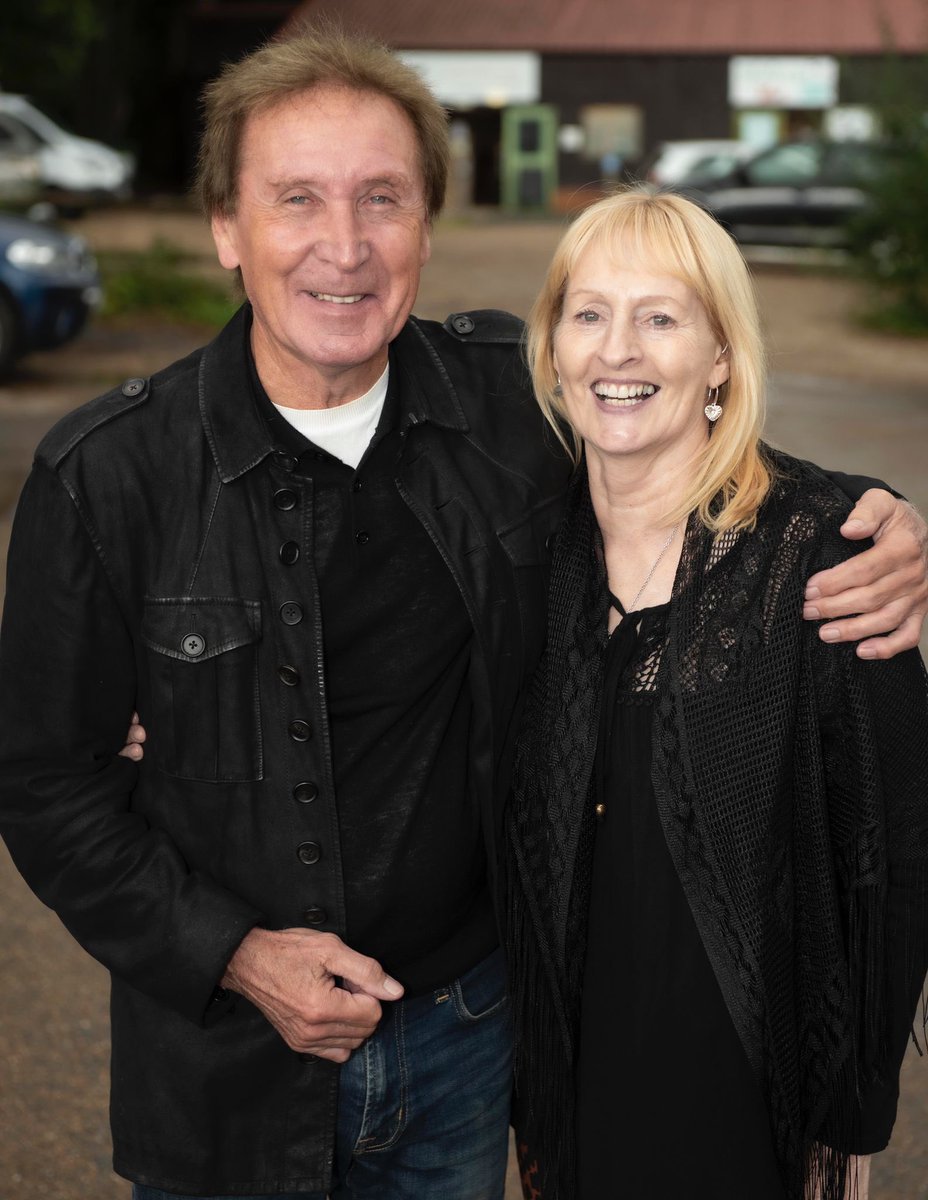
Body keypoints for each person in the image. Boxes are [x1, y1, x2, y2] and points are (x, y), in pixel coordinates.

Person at [0, 28, 924, 1200]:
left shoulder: (505, 406)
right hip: (221, 1072)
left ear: (426, 227)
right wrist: (230, 955)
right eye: (296, 200)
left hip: (468, 1046)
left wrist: (869, 518)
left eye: (381, 199)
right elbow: (40, 783)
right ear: (226, 229)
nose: (344, 246)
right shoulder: (106, 477)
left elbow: (669, 422)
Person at [505, 188, 928, 1200]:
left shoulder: (820, 550)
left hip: (744, 1082)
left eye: (661, 317)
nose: (618, 351)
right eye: (589, 313)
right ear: (552, 346)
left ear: (721, 358)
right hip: (565, 1061)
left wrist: (853, 1106)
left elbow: (896, 841)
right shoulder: (525, 549)